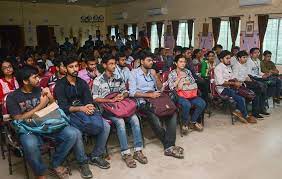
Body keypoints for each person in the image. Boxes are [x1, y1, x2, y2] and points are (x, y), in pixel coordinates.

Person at [6, 65, 93, 179]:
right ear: (25, 81)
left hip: (46, 124)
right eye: (35, 77)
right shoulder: (12, 97)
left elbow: (54, 108)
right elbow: (18, 119)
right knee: (30, 145)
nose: (39, 79)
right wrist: (40, 105)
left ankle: (55, 163)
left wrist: (50, 97)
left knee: (74, 133)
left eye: (38, 76)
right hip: (28, 128)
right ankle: (40, 173)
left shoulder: (39, 89)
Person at [54, 55, 111, 170]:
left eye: (76, 66)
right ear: (65, 69)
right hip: (69, 114)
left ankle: (95, 156)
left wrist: (88, 106)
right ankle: (83, 162)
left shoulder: (81, 82)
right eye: (71, 67)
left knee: (106, 125)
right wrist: (81, 109)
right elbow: (63, 107)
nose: (75, 69)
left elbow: (88, 99)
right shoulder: (60, 85)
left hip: (84, 111)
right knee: (77, 133)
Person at [93, 54, 147, 168]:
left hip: (120, 106)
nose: (114, 66)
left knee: (135, 119)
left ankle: (138, 150)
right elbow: (95, 98)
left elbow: (125, 91)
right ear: (104, 65)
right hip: (107, 108)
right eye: (111, 64)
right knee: (120, 122)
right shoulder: (98, 80)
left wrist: (123, 96)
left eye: (114, 64)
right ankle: (126, 153)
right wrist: (110, 100)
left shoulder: (118, 77)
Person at [129, 51, 184, 159]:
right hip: (143, 101)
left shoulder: (152, 72)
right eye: (149, 60)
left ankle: (169, 146)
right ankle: (169, 146)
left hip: (156, 98)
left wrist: (156, 77)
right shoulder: (133, 73)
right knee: (154, 116)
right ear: (141, 61)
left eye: (152, 60)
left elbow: (159, 88)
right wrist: (149, 95)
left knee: (172, 111)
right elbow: (132, 92)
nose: (151, 63)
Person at [214, 50, 257, 124]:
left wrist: (236, 81)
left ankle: (238, 111)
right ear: (221, 59)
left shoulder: (228, 67)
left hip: (231, 86)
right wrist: (234, 83)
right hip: (223, 89)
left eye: (229, 58)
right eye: (227, 58)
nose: (229, 60)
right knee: (240, 97)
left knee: (248, 94)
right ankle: (245, 115)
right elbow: (221, 82)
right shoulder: (218, 68)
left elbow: (233, 77)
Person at [168, 55, 206, 134]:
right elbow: (172, 87)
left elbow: (193, 81)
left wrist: (183, 82)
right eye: (180, 62)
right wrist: (179, 78)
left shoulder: (187, 71)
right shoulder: (172, 73)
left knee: (202, 103)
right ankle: (185, 124)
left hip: (190, 93)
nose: (183, 64)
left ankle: (193, 121)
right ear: (175, 63)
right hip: (179, 95)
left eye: (184, 62)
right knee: (187, 104)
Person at [233, 51, 269, 118]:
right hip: (242, 84)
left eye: (246, 57)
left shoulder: (244, 65)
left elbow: (246, 74)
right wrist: (245, 78)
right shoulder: (236, 66)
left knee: (261, 88)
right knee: (259, 88)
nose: (246, 59)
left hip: (247, 81)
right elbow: (235, 77)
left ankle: (259, 109)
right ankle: (257, 111)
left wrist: (248, 78)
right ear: (239, 58)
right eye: (244, 57)